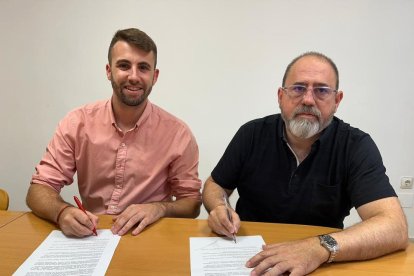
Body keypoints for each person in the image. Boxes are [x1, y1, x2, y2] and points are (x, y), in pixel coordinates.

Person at [202, 52, 408, 275]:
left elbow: (394, 227)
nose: (308, 100)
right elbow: (216, 184)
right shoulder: (251, 134)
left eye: (321, 90)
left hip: (321, 262)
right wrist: (219, 207)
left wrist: (318, 247)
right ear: (281, 96)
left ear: (337, 101)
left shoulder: (355, 145)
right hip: (248, 257)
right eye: (298, 88)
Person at [27, 28, 202, 238]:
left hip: (149, 237)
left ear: (155, 76)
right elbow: (39, 189)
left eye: (143, 67)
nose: (134, 76)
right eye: (124, 65)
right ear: (109, 71)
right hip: (92, 235)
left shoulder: (178, 134)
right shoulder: (77, 123)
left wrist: (160, 208)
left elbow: (192, 204)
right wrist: (62, 212)